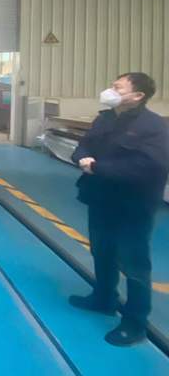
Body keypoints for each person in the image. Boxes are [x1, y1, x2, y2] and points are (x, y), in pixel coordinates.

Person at [69, 72, 169, 347]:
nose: (110, 91)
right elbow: (84, 145)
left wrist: (97, 167)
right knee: (102, 251)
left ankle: (135, 323)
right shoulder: (105, 118)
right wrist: (81, 158)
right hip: (101, 198)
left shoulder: (153, 126)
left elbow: (150, 166)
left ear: (137, 95)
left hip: (133, 205)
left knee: (134, 264)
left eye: (118, 87)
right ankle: (103, 299)